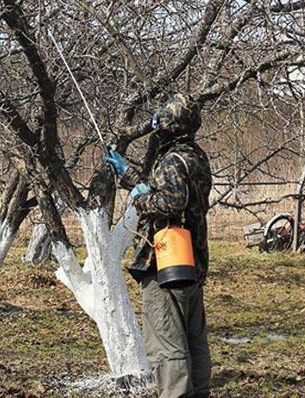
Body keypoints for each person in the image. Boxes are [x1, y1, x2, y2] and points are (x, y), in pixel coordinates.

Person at [105, 93, 212, 397]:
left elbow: (170, 202)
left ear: (169, 126)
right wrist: (129, 175)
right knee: (195, 342)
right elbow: (165, 186)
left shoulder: (172, 161)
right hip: (192, 262)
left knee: (168, 348)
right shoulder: (195, 156)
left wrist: (139, 197)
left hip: (165, 264)